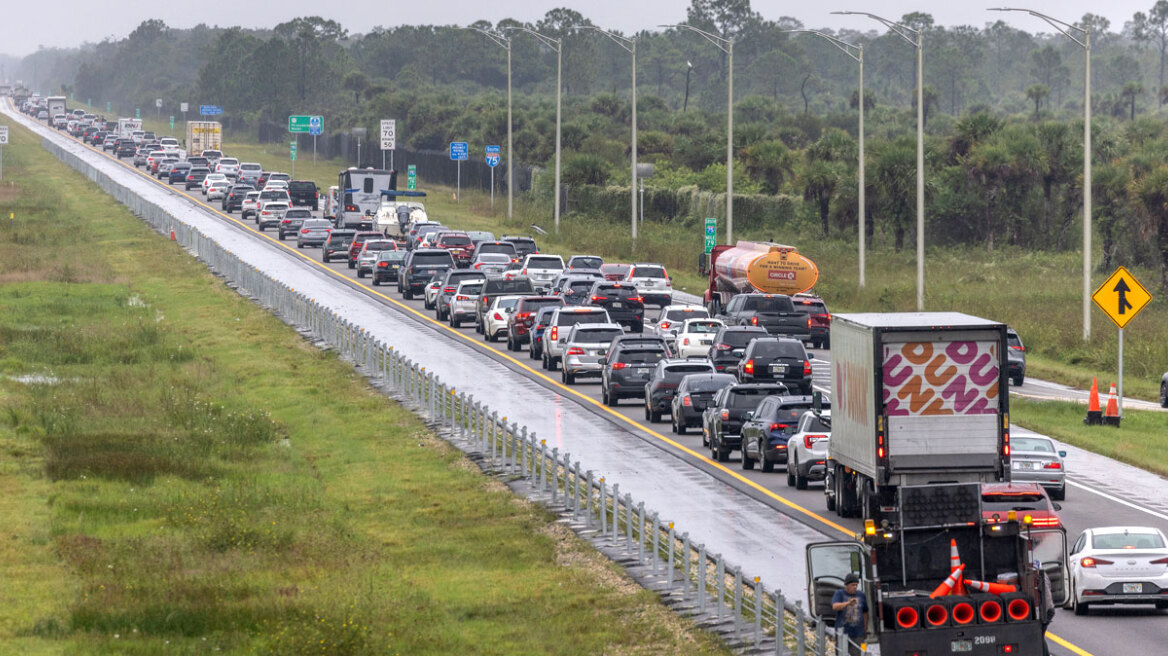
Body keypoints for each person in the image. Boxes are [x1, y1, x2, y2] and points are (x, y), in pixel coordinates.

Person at [831, 572, 868, 656]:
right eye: (852, 585)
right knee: (841, 654)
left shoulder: (861, 595)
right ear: (846, 585)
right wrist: (848, 603)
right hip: (842, 633)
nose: (855, 587)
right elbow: (835, 606)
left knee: (863, 652)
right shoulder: (839, 593)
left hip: (859, 634)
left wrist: (865, 628)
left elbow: (865, 612)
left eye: (856, 585)